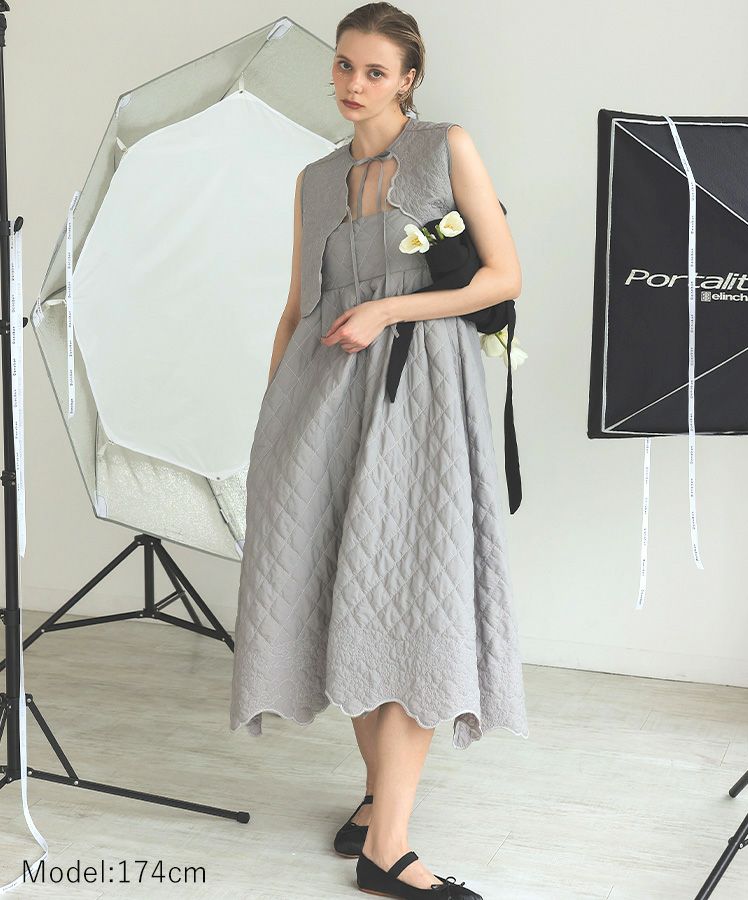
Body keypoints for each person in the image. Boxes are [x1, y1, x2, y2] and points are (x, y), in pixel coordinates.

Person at [230, 4, 529, 897]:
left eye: (373, 71)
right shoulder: (316, 178)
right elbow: (298, 309)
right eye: (343, 66)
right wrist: (273, 424)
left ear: (408, 79)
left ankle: (386, 846)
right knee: (343, 592)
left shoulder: (445, 149)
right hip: (320, 405)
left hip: (422, 401)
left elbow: (502, 275)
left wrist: (388, 309)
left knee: (414, 595)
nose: (352, 85)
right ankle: (377, 808)